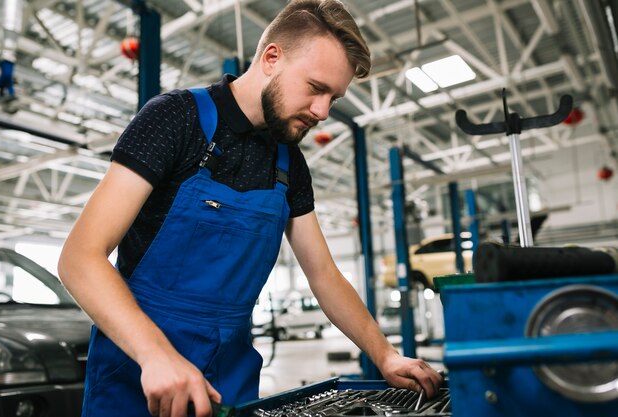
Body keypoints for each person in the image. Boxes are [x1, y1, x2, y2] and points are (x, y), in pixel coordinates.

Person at [58, 1, 443, 417]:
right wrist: (156, 355)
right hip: (138, 373)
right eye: (316, 87)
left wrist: (384, 354)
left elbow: (324, 275)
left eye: (334, 97)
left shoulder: (289, 163)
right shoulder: (176, 119)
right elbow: (80, 259)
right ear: (272, 58)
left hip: (230, 378)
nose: (323, 112)